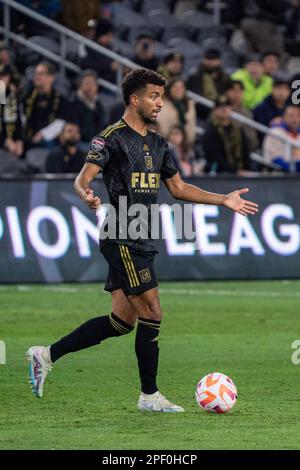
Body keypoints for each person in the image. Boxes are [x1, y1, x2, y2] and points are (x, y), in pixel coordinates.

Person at [26, 69, 258, 412]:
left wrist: (222, 199)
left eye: (161, 97)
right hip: (121, 234)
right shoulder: (110, 138)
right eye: (153, 96)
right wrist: (86, 194)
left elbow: (178, 189)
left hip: (145, 236)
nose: (159, 103)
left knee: (122, 321)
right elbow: (82, 178)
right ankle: (149, 396)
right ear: (134, 99)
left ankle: (45, 355)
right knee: (152, 310)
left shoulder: (158, 142)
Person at [202, 95, 251, 174]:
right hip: (220, 175)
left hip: (240, 173)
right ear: (214, 111)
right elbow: (216, 157)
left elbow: (246, 151)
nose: (224, 109)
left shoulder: (238, 130)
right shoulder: (210, 132)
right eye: (220, 107)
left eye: (227, 106)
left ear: (231, 109)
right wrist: (235, 171)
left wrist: (246, 169)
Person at [186, 48, 230, 120]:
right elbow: (195, 97)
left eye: (213, 59)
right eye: (208, 59)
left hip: (221, 110)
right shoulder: (195, 76)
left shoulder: (224, 77)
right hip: (199, 113)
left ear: (219, 61)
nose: (210, 62)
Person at [156, 78, 196, 151]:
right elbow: (161, 127)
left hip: (184, 147)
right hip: (164, 145)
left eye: (181, 87)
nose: (178, 89)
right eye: (175, 86)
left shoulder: (188, 107)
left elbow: (191, 129)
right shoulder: (162, 104)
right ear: (169, 89)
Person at [71, 70, 106, 145]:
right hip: (79, 142)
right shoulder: (73, 102)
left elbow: (102, 125)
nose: (91, 86)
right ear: (80, 85)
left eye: (93, 83)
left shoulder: (98, 103)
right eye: (87, 83)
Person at [263, 105, 300, 171]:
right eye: (291, 115)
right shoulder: (275, 133)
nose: (295, 119)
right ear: (284, 117)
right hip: (279, 175)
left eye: (298, 115)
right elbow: (274, 159)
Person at [225, 79, 259, 151]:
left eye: (240, 90)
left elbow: (252, 138)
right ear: (226, 92)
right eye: (233, 90)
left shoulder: (247, 113)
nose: (237, 93)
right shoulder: (220, 110)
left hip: (245, 150)